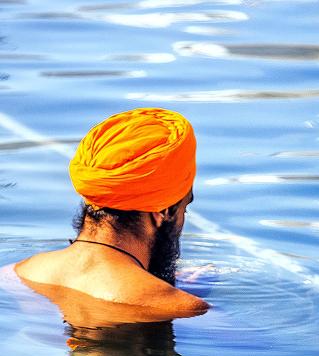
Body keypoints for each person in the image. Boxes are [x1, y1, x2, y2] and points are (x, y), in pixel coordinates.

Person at [14, 108, 209, 318]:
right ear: (165, 211)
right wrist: (179, 295)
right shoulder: (181, 308)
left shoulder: (18, 274)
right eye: (184, 208)